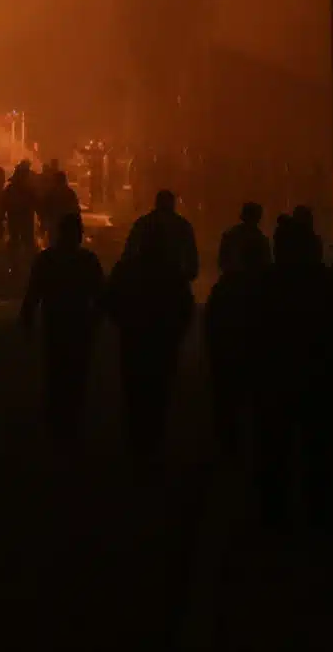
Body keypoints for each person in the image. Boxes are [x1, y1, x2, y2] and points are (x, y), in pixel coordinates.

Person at [254, 210, 333, 532]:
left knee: (276, 454)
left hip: (280, 382)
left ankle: (276, 519)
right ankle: (319, 516)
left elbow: (255, 333)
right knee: (318, 454)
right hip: (316, 379)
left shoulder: (270, 282)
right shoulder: (324, 282)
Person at [107, 189, 199, 467]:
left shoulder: (140, 230)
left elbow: (112, 296)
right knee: (160, 387)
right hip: (164, 335)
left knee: (135, 387)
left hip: (135, 335)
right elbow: (191, 276)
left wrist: (124, 321)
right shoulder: (182, 232)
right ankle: (152, 441)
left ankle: (137, 441)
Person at [21, 212, 107, 441]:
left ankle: (56, 418)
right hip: (79, 324)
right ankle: (71, 419)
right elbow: (102, 297)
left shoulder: (46, 260)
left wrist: (27, 320)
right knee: (76, 373)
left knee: (56, 370)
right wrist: (97, 322)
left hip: (55, 322)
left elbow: (33, 294)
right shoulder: (88, 261)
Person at [206, 202, 272, 456]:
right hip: (249, 336)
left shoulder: (231, 239)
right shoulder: (261, 242)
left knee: (226, 390)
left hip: (228, 339)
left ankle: (227, 437)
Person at [5, 160, 39, 273]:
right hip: (22, 217)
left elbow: (4, 202)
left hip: (18, 217)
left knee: (20, 240)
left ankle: (18, 264)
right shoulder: (28, 188)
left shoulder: (15, 188)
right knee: (24, 240)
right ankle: (22, 264)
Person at [42, 166, 81, 240]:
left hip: (55, 224)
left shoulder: (51, 193)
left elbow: (45, 209)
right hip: (66, 225)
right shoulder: (69, 192)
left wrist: (44, 224)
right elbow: (76, 209)